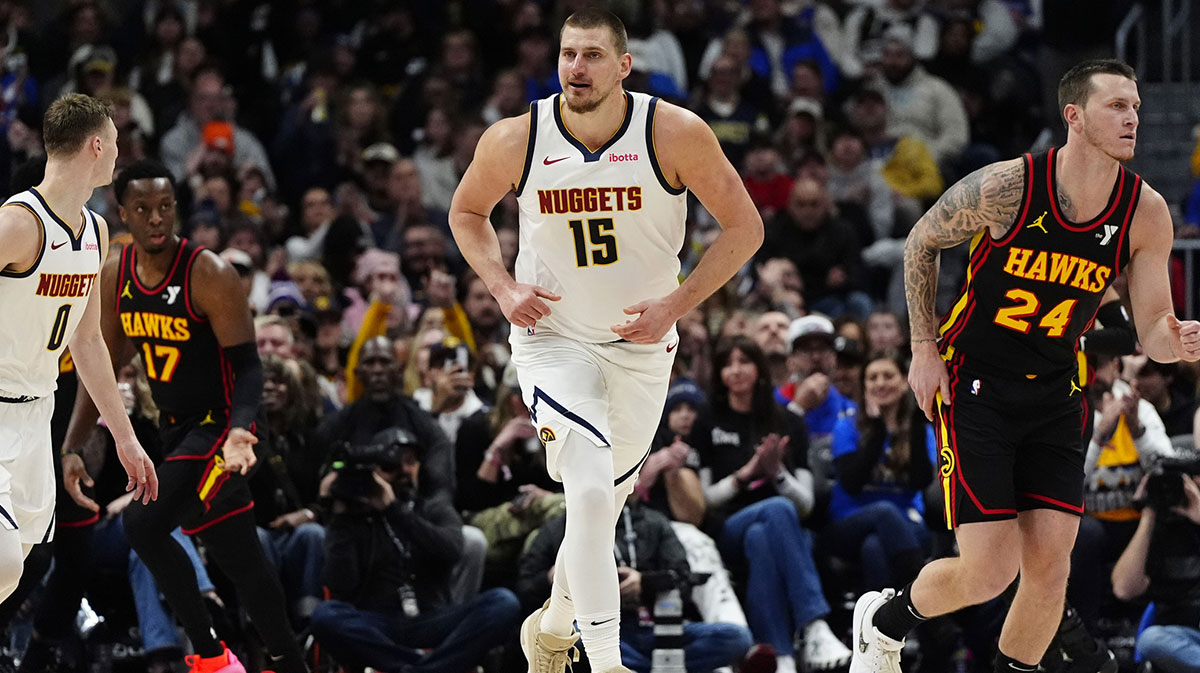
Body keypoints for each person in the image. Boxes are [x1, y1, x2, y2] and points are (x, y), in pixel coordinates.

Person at [850, 59, 1200, 673]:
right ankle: (884, 622)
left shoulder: (1145, 211)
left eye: (1136, 107)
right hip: (976, 383)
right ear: (1075, 116)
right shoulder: (1008, 187)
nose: (1132, 118)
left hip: (1058, 392)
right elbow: (922, 242)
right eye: (1116, 105)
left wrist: (1177, 341)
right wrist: (923, 348)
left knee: (1049, 571)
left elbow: (1150, 331)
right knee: (988, 572)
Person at [448, 9, 763, 673]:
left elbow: (744, 229)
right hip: (552, 341)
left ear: (624, 65)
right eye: (568, 54)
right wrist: (504, 288)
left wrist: (676, 304)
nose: (576, 68)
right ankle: (604, 660)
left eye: (592, 55)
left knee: (601, 508)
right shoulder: (518, 138)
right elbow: (466, 211)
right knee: (588, 493)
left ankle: (554, 628)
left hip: (643, 349)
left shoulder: (673, 132)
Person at [58, 159, 305, 673]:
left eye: (165, 207)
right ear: (121, 211)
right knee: (240, 556)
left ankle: (209, 656)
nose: (155, 218)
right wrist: (73, 445)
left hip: (222, 426)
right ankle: (292, 663)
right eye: (143, 209)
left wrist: (240, 432)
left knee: (144, 525)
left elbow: (251, 371)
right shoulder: (115, 275)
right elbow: (102, 369)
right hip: (178, 434)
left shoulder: (208, 272)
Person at [0, 93, 157, 604]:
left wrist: (127, 438)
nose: (118, 153)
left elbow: (87, 342)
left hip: (37, 416)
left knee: (13, 570)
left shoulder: (95, 231)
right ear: (96, 145)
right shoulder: (20, 223)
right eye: (115, 143)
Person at [310, 427, 523, 673]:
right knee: (326, 616)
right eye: (391, 465)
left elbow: (452, 549)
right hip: (377, 621)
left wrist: (395, 510)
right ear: (373, 472)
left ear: (420, 465)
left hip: (433, 617)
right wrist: (338, 516)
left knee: (503, 602)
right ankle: (424, 667)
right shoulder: (354, 518)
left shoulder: (433, 507)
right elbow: (340, 584)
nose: (403, 470)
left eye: (410, 462)